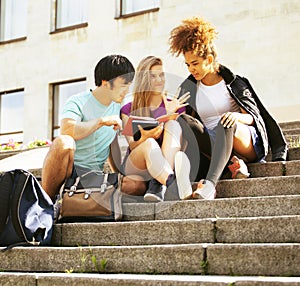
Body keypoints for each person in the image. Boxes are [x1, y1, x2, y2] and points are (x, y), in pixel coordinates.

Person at [168, 17, 288, 200]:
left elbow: (253, 118)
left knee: (226, 123)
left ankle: (209, 185)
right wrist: (173, 110)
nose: (191, 69)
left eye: (195, 63)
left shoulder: (234, 83)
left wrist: (235, 116)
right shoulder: (189, 88)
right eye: (187, 64)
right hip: (213, 144)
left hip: (242, 138)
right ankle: (232, 162)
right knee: (183, 120)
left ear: (208, 59)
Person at [42, 54, 135, 202]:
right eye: (124, 84)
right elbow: (67, 130)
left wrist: (118, 174)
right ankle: (45, 203)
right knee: (63, 143)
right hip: (68, 170)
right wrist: (101, 121)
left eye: (129, 85)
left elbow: (112, 144)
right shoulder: (77, 101)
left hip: (93, 176)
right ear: (106, 82)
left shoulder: (120, 108)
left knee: (136, 185)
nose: (127, 90)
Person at [120, 55, 192, 202]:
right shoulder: (128, 109)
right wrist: (147, 136)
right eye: (153, 76)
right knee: (150, 144)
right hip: (137, 163)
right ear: (144, 80)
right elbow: (132, 145)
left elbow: (182, 143)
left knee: (173, 125)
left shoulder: (175, 105)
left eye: (161, 75)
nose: (159, 80)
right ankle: (173, 184)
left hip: (166, 159)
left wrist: (170, 115)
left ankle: (158, 184)